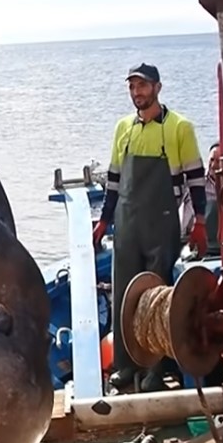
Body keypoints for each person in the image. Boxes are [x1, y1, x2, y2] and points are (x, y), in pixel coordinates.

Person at [93, 63, 207, 392]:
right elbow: (114, 179)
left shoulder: (179, 127)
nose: (136, 92)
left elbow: (196, 179)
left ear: (158, 88)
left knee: (158, 296)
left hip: (162, 221)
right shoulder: (123, 129)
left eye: (142, 86)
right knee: (125, 293)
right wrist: (104, 220)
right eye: (132, 87)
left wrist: (199, 221)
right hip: (127, 224)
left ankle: (156, 370)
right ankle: (126, 366)